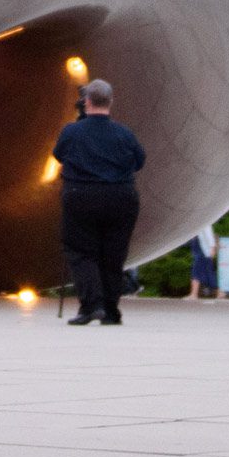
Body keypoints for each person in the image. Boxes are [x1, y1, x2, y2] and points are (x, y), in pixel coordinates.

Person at [53, 78, 144, 325]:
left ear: (86, 101)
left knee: (81, 251)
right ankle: (111, 310)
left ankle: (92, 305)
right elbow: (139, 161)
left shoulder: (72, 131)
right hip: (120, 197)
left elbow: (58, 154)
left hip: (81, 195)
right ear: (110, 102)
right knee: (114, 254)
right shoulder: (124, 133)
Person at [187, 222, 218, 300]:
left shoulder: (205, 222)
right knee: (208, 272)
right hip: (197, 249)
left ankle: (194, 294)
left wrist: (212, 247)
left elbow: (209, 234)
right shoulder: (194, 223)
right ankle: (220, 292)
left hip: (203, 250)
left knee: (196, 271)